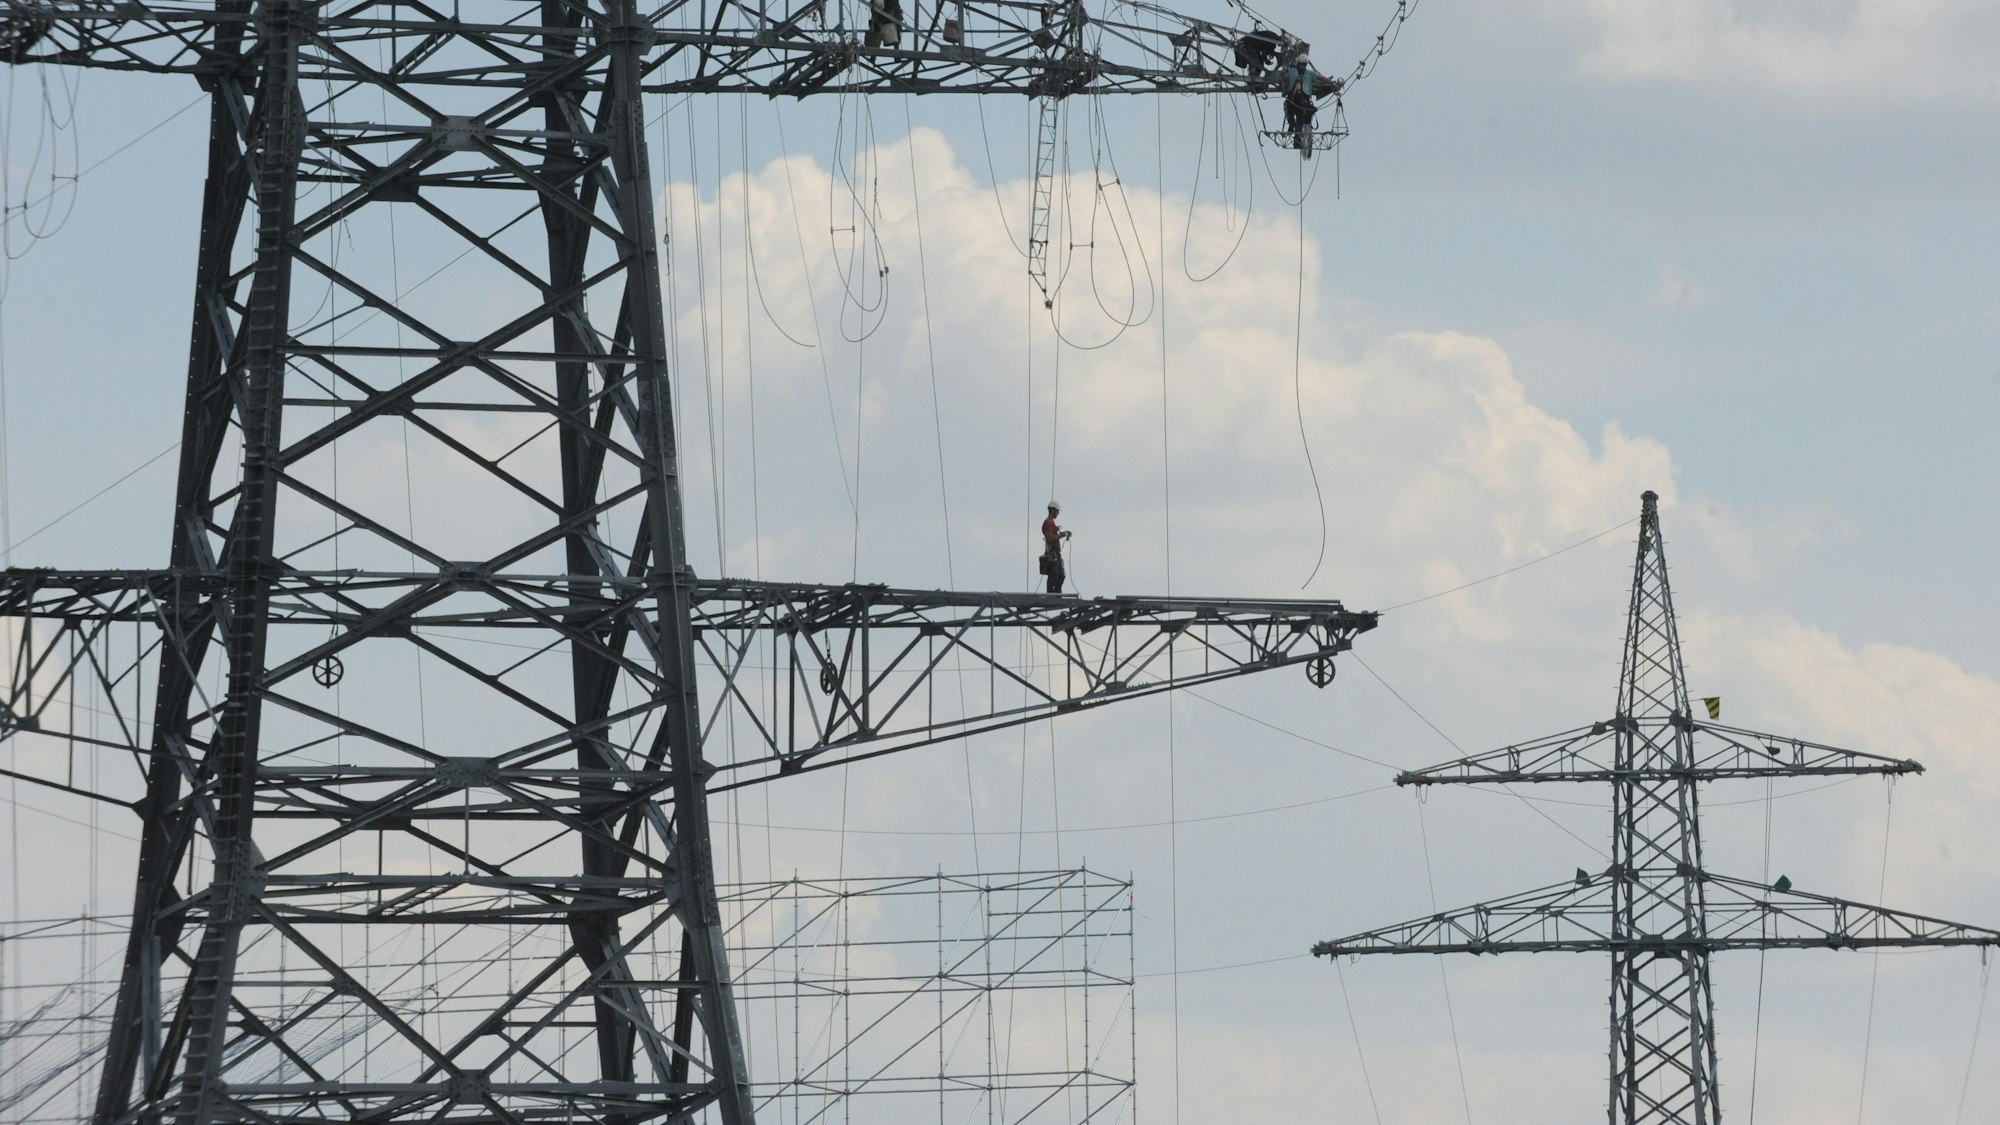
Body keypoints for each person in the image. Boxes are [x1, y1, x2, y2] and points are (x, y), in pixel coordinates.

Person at [1040, 501, 1071, 594]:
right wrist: (1061, 535)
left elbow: (1052, 535)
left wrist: (1057, 531)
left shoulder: (1051, 523)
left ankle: (1057, 594)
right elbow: (1049, 538)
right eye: (1057, 511)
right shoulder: (1047, 523)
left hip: (1056, 552)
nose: (1057, 513)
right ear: (1052, 510)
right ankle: (1051, 594)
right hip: (1052, 552)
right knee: (1054, 574)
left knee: (1061, 575)